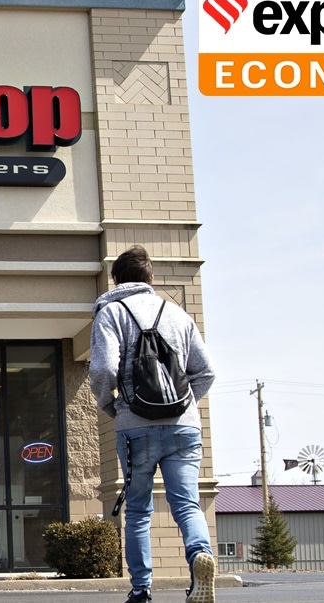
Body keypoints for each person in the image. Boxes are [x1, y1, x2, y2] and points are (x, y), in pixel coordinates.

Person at [89, 245, 218, 603]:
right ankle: (198, 558)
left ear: (115, 279)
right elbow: (205, 372)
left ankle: (142, 589)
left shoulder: (112, 312)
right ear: (151, 279)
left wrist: (112, 405)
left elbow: (102, 369)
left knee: (140, 510)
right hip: (184, 426)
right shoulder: (178, 315)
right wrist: (183, 406)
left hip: (136, 427)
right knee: (187, 504)